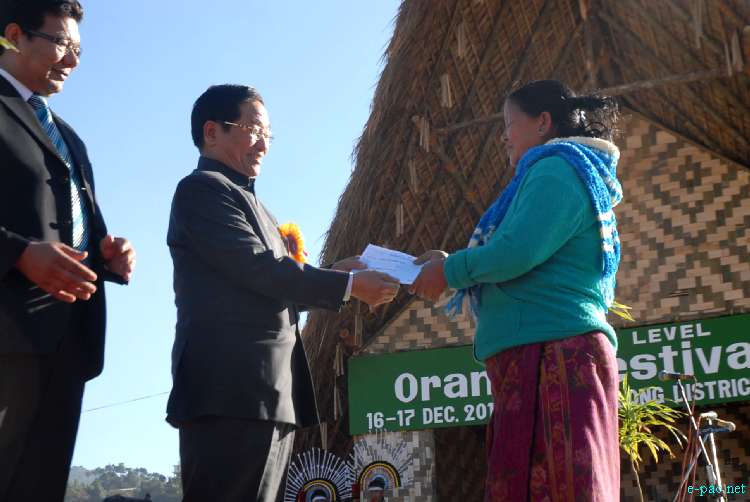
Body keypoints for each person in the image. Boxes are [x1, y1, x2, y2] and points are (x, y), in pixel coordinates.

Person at [167, 84, 400, 502]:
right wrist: (347, 285)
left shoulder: (258, 207)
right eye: (253, 129)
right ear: (211, 132)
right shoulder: (202, 189)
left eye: (268, 134)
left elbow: (276, 285)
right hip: (229, 389)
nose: (264, 144)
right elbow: (257, 268)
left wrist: (337, 272)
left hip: (271, 391)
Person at [410, 79, 622, 501]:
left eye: (509, 124)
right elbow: (517, 252)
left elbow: (516, 252)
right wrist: (450, 263)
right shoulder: (556, 171)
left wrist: (451, 271)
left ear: (542, 122)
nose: (503, 136)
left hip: (553, 356)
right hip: (540, 354)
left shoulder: (556, 169)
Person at [0, 1, 136, 500]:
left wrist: (107, 256)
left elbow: (73, 220)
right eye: (61, 44)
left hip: (66, 345)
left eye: (79, 49)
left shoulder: (69, 137)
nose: (73, 61)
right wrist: (18, 253)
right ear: (14, 35)